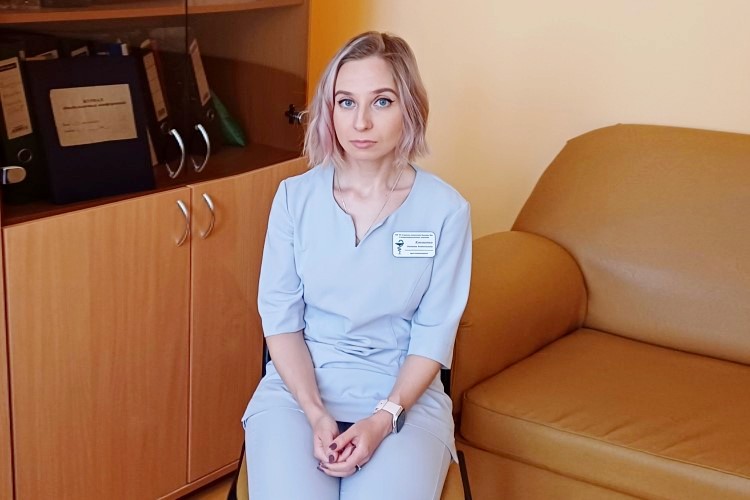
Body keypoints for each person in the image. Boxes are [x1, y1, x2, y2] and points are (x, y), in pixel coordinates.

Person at [242, 31, 472, 500]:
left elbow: (434, 334)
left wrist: (383, 417)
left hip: (403, 399)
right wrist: (314, 412)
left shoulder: (446, 211)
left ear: (410, 107)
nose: (361, 121)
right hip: (298, 392)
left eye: (381, 101)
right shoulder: (293, 198)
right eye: (346, 102)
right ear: (329, 111)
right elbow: (281, 321)